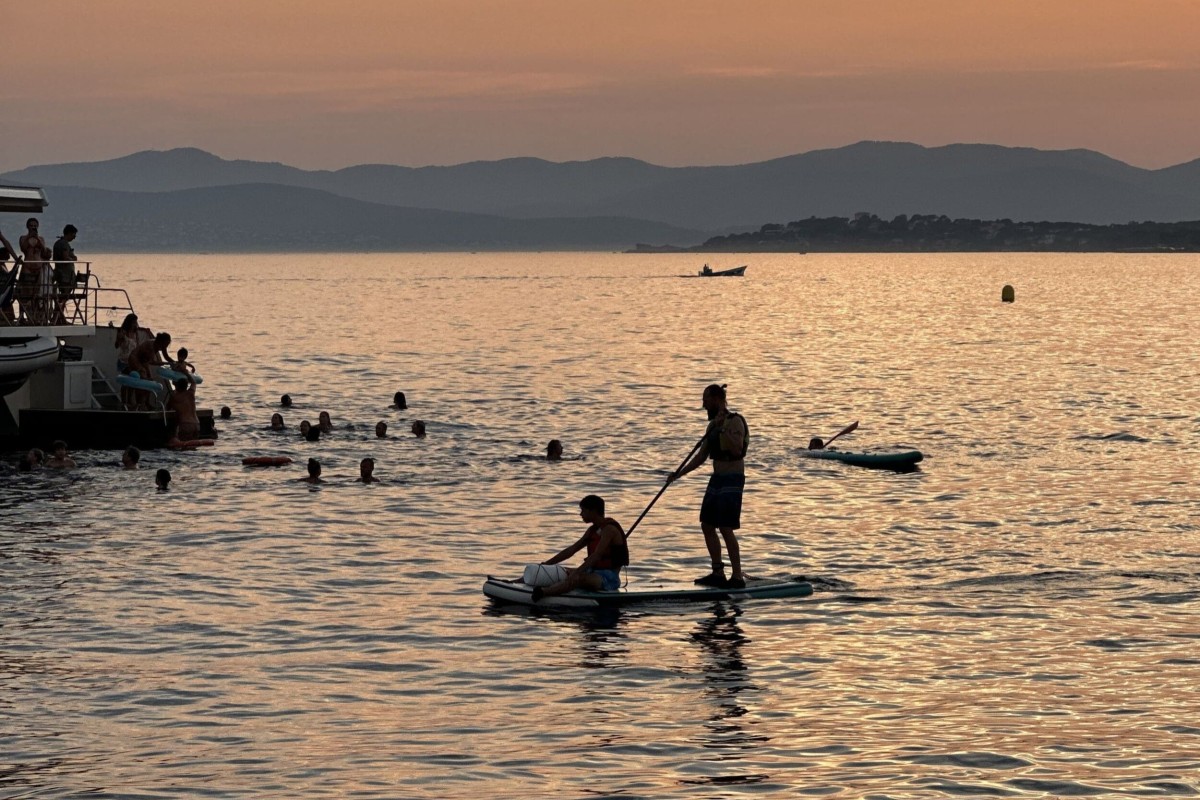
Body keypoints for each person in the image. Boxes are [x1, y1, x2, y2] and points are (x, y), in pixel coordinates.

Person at [667, 383, 749, 589]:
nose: (704, 405)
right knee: (706, 524)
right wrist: (678, 474)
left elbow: (737, 446)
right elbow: (702, 456)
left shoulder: (735, 421)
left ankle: (737, 576)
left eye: (706, 400)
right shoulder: (711, 426)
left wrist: (722, 427)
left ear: (716, 399)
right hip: (717, 479)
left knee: (725, 527)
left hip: (733, 479)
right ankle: (717, 572)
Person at [531, 494, 628, 602]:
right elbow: (572, 550)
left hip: (609, 578)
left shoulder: (609, 530)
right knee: (558, 571)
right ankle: (516, 582)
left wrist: (577, 572)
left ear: (593, 511)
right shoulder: (593, 530)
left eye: (583, 510)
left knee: (577, 578)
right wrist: (548, 564)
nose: (581, 514)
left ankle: (544, 593)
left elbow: (596, 556)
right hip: (592, 571)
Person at [18, 218, 48, 323]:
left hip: (38, 268)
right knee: (26, 293)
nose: (33, 227)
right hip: (27, 267)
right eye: (31, 225)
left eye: (35, 225)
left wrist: (37, 240)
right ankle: (23, 316)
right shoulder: (23, 238)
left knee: (37, 293)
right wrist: (29, 238)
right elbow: (23, 248)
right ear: (27, 226)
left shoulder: (41, 239)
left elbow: (44, 251)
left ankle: (36, 316)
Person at [52, 224, 78, 322]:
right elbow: (65, 257)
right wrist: (73, 258)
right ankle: (58, 317)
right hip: (65, 276)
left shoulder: (60, 243)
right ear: (69, 233)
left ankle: (59, 317)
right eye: (74, 235)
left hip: (63, 275)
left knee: (62, 298)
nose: (74, 237)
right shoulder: (63, 244)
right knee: (63, 297)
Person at [166, 375, 199, 441]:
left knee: (184, 447)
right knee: (193, 447)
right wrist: (185, 372)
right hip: (196, 424)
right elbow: (194, 382)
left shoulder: (174, 398)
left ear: (177, 386)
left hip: (185, 424)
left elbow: (167, 408)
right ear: (186, 386)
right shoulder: (191, 393)